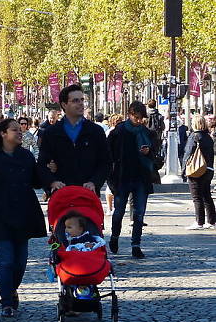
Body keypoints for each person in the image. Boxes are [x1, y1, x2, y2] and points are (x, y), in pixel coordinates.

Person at [0, 119, 46, 317]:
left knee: (21, 262)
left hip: (24, 211)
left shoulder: (26, 156)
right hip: (0, 213)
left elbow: (36, 182)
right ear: (3, 134)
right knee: (6, 261)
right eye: (14, 129)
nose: (20, 132)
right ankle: (6, 301)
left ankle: (12, 289)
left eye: (20, 129)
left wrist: (49, 171)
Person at [37, 84, 110, 196]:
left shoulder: (96, 131)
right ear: (64, 104)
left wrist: (94, 182)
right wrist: (52, 182)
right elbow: (42, 164)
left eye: (82, 100)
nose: (81, 103)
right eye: (75, 100)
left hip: (88, 194)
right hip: (61, 194)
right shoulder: (51, 133)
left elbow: (105, 162)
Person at [107, 101, 156, 259]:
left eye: (141, 118)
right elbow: (109, 154)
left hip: (141, 177)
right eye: (136, 117)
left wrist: (149, 152)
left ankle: (136, 245)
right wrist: (110, 177)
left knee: (139, 213)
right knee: (119, 211)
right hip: (122, 177)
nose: (139, 120)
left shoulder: (146, 132)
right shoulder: (119, 131)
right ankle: (115, 237)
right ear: (130, 115)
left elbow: (155, 155)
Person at [183, 115, 215, 230]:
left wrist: (183, 170)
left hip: (196, 170)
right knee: (207, 195)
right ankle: (211, 221)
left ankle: (199, 221)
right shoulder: (208, 137)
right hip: (209, 169)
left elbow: (188, 153)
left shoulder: (194, 136)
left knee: (196, 196)